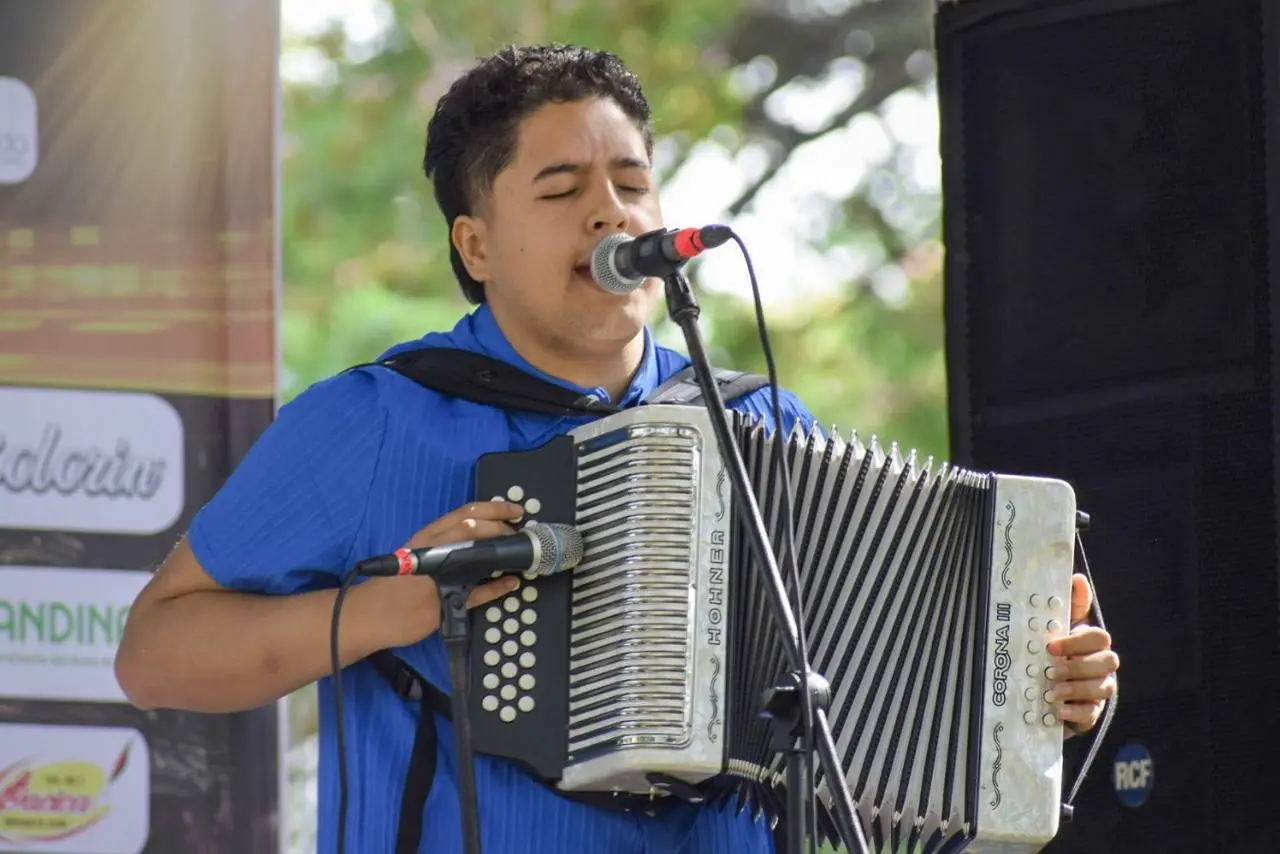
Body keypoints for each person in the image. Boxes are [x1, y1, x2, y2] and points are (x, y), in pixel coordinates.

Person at [115, 43, 1120, 854]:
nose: (611, 212)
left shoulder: (761, 426)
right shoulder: (373, 419)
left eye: (631, 182)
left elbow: (876, 704)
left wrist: (1030, 696)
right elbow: (155, 654)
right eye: (561, 188)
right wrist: (399, 604)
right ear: (473, 245)